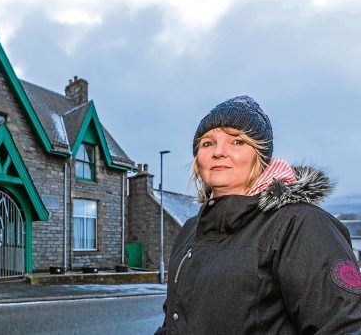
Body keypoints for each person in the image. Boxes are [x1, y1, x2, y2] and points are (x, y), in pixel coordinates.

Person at [155, 96, 361, 334]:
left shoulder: (300, 224)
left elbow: (345, 326)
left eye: (237, 142)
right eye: (208, 143)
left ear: (260, 157)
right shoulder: (190, 230)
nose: (219, 152)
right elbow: (173, 321)